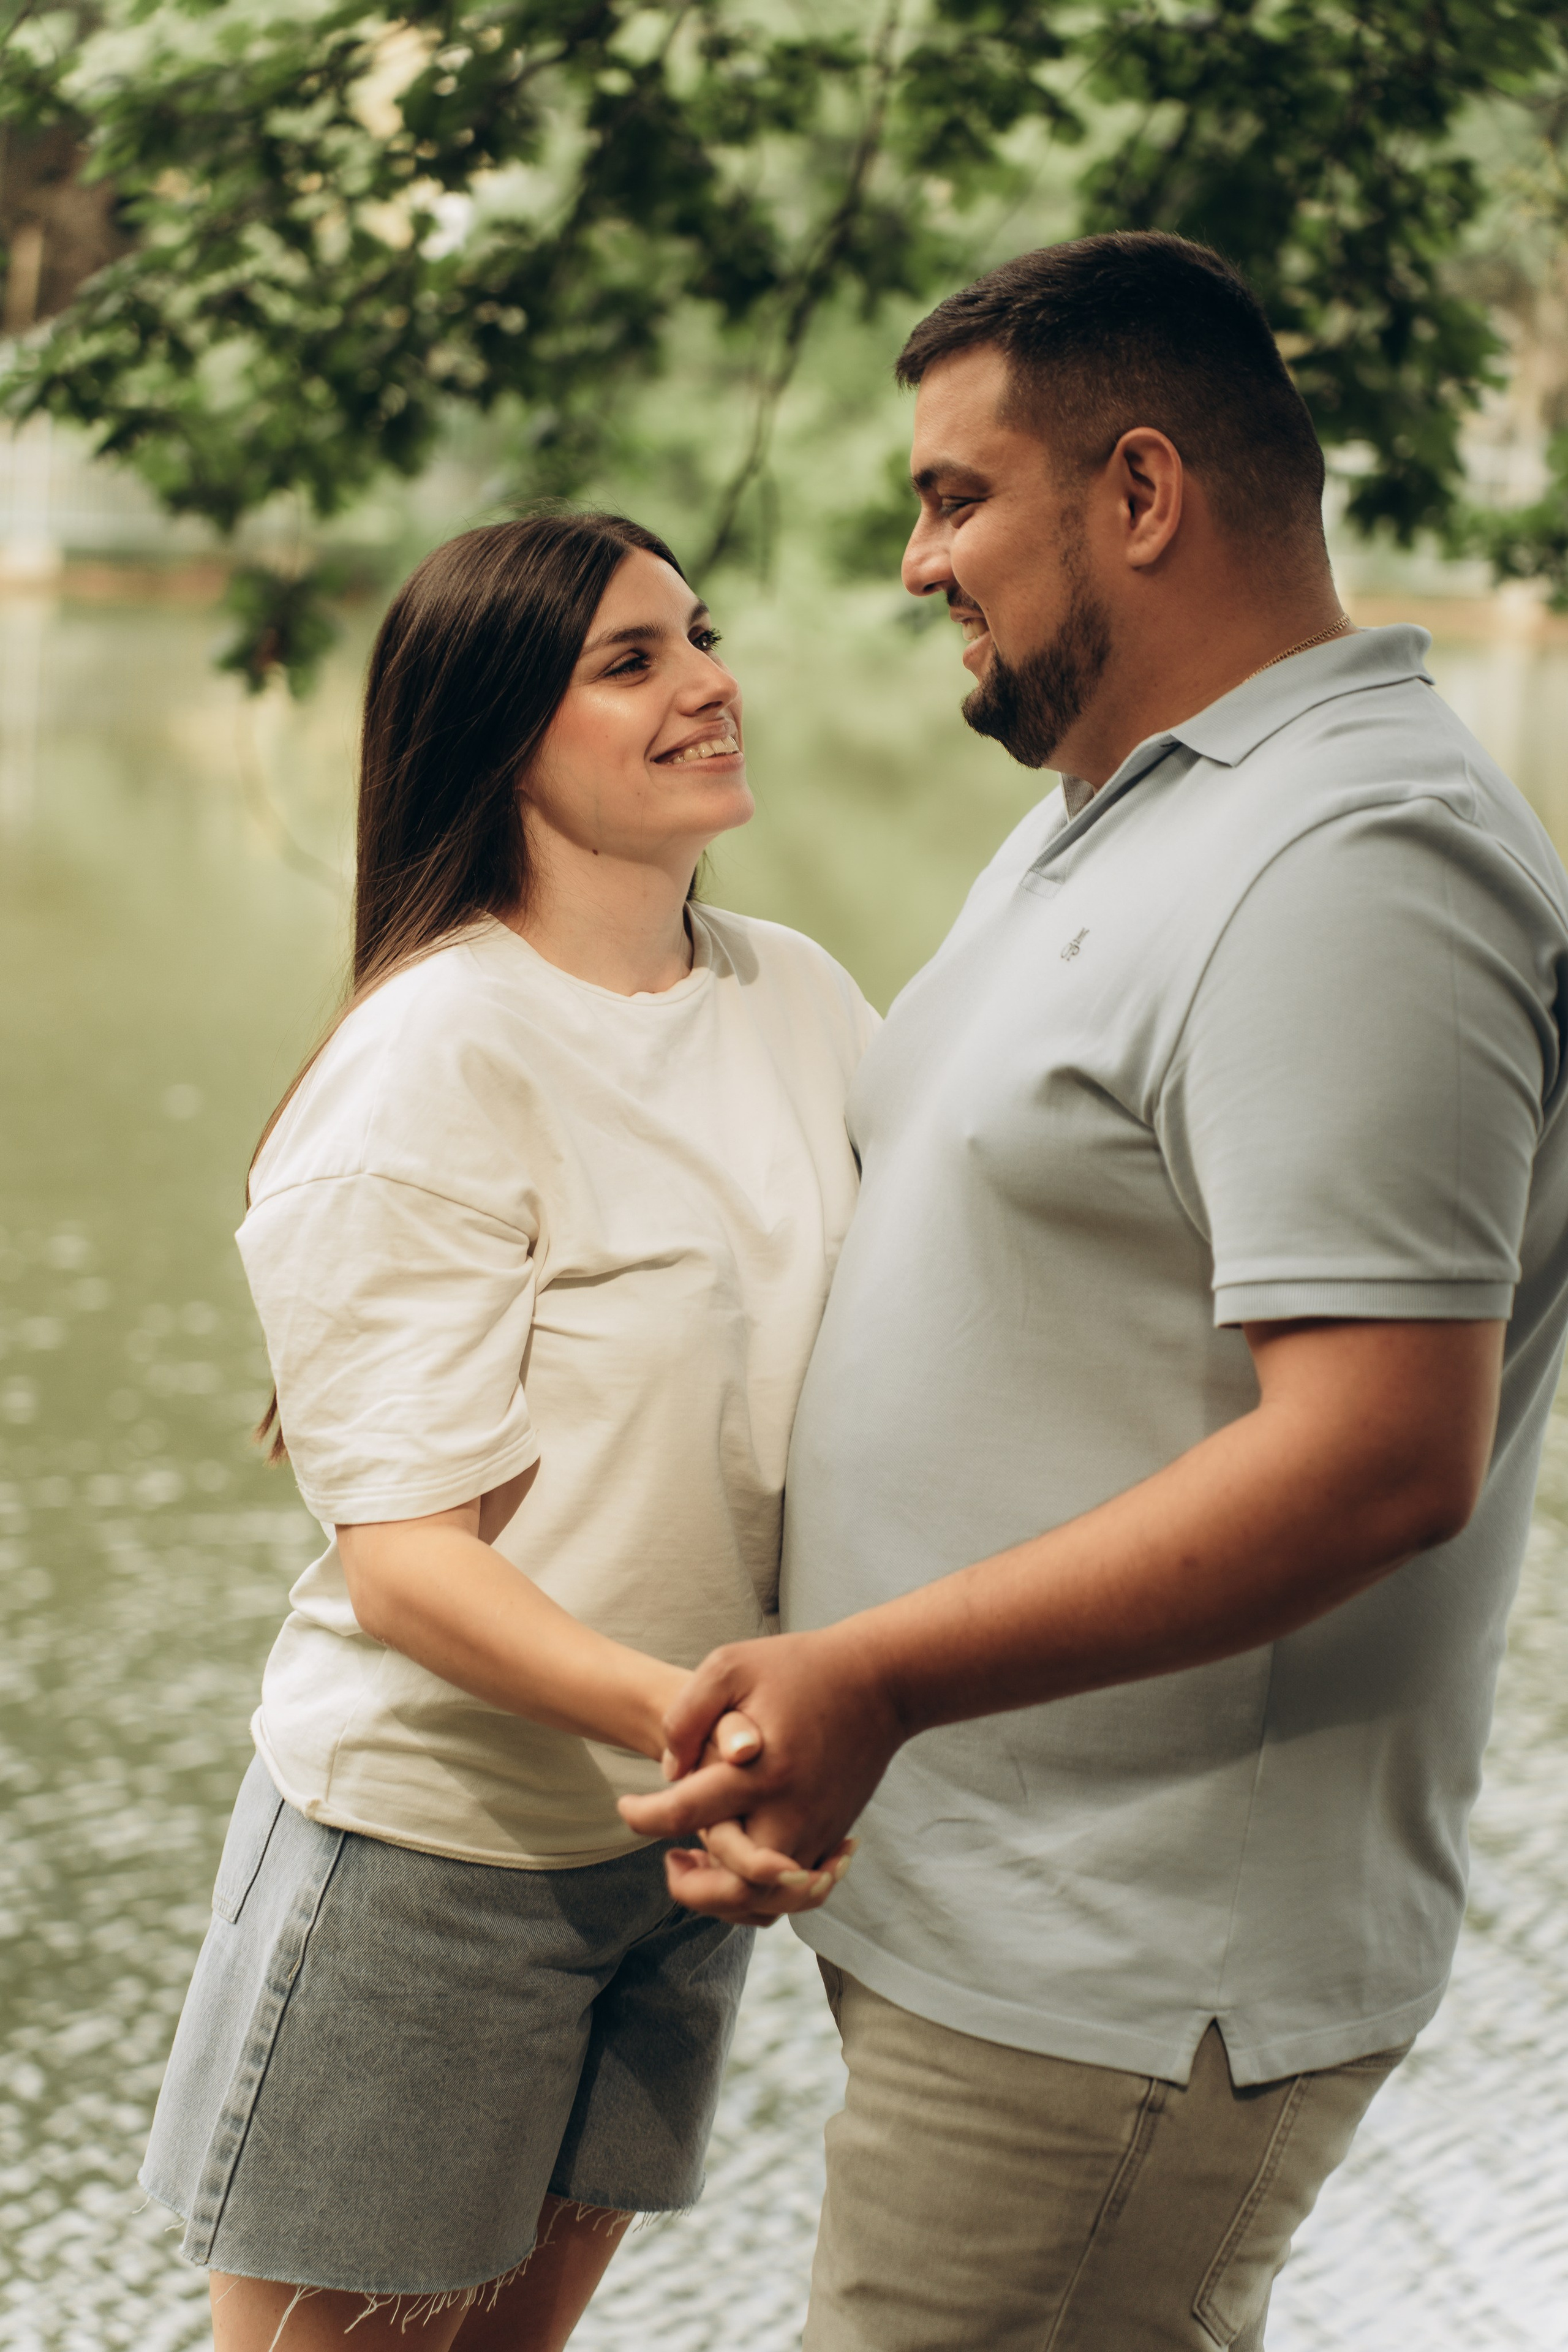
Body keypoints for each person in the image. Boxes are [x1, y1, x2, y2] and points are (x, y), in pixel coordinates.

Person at [623, 233, 1568, 2349]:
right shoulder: (1108, 811)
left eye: (958, 499)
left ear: (1141, 497)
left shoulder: (1354, 868)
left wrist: (873, 1674)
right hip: (991, 1924)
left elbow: (1375, 1457)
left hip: (1131, 1975)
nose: (910, 562)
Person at [140, 511, 872, 2351]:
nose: (708, 681)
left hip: (675, 1863)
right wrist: (700, 1728)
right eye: (630, 661)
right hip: (435, 1857)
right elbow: (404, 1570)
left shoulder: (799, 997)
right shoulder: (434, 1057)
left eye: (697, 635)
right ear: (498, 735)